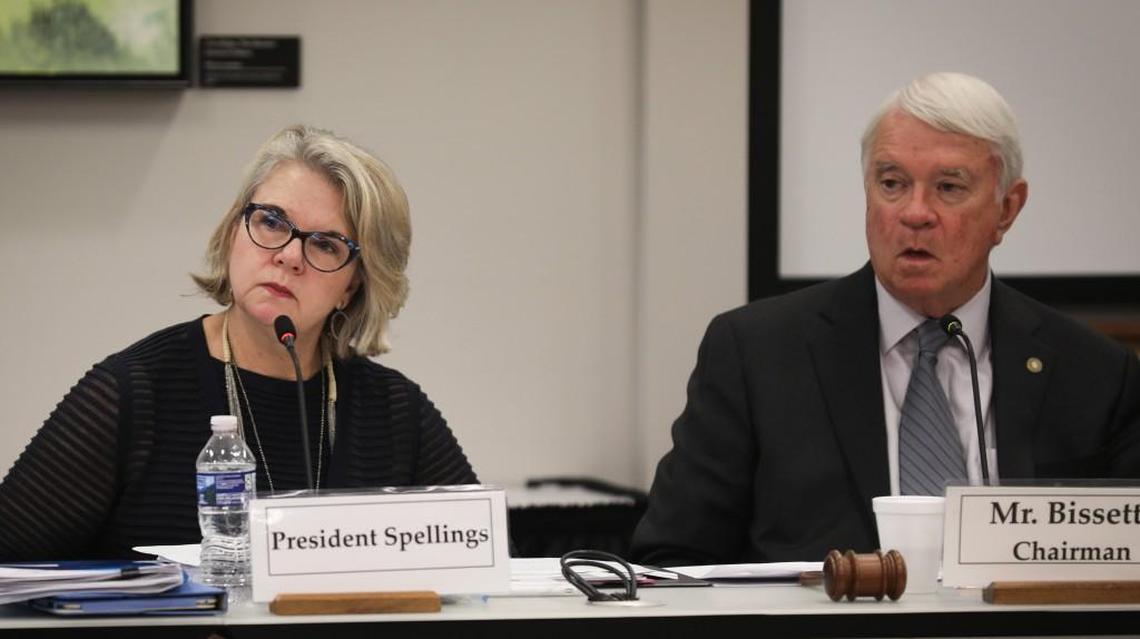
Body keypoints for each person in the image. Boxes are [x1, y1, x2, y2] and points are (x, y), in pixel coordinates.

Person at [631, 72, 1140, 567]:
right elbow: (673, 561)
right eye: (892, 183)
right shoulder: (756, 354)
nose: (914, 213)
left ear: (1007, 208)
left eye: (948, 187)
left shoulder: (1092, 374)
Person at [0, 124, 478, 561]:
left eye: (326, 245)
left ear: (353, 286)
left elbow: (489, 571)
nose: (290, 256)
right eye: (272, 222)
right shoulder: (133, 394)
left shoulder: (395, 412)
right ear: (235, 231)